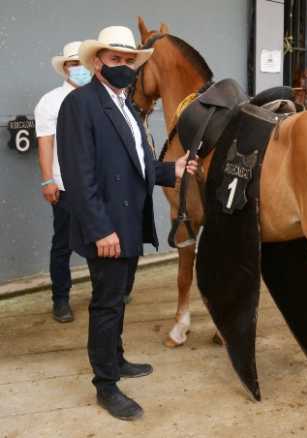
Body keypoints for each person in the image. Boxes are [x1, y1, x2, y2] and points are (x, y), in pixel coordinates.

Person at [56, 26, 198, 421]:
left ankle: (116, 360)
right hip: (108, 227)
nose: (123, 66)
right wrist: (100, 229)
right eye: (115, 59)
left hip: (131, 222)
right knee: (105, 304)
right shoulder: (81, 104)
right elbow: (78, 175)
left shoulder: (128, 107)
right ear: (97, 62)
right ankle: (105, 385)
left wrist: (174, 169)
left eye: (128, 61)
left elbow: (139, 166)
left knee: (118, 299)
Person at [34, 41, 92, 323]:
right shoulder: (49, 101)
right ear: (64, 68)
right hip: (65, 186)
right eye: (73, 63)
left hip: (99, 186)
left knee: (103, 239)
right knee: (63, 244)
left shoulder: (104, 97)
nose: (79, 68)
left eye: (83, 62)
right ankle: (60, 299)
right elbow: (45, 144)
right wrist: (47, 180)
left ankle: (107, 292)